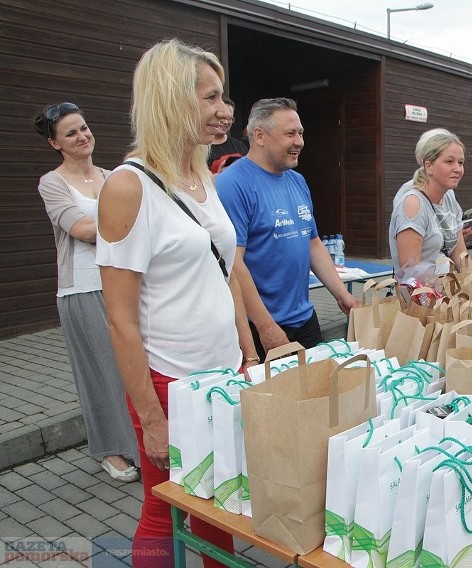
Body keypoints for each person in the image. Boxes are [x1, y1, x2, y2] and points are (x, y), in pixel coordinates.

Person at [97, 39, 259, 567]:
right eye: (211, 99)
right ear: (170, 99)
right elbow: (120, 318)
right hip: (170, 382)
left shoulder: (202, 174)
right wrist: (151, 418)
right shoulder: (129, 187)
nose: (225, 111)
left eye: (224, 98)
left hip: (224, 373)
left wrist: (248, 354)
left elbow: (226, 271)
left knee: (217, 504)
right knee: (161, 506)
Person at [32, 102, 139, 483]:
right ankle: (112, 449)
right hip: (82, 288)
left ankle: (141, 442)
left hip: (122, 283)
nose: (82, 136)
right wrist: (126, 222)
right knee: (102, 372)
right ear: (54, 143)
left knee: (133, 367)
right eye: (71, 133)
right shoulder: (52, 182)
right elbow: (79, 229)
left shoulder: (112, 176)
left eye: (84, 127)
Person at [217, 97, 358, 357]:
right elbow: (233, 264)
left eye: (301, 133)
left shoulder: (297, 181)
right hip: (261, 326)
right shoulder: (232, 184)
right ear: (259, 135)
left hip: (304, 318)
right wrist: (265, 325)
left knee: (319, 393)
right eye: (290, 134)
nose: (299, 142)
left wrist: (342, 295)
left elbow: (312, 243)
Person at [389, 130, 472, 276]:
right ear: (428, 166)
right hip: (424, 295)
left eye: (461, 162)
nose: (457, 169)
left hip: (450, 291)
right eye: (449, 161)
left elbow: (459, 252)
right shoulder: (413, 204)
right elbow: (411, 271)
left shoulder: (449, 197)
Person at [207, 96, 247, 169]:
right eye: (222, 117)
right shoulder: (201, 147)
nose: (226, 122)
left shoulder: (240, 146)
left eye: (230, 118)